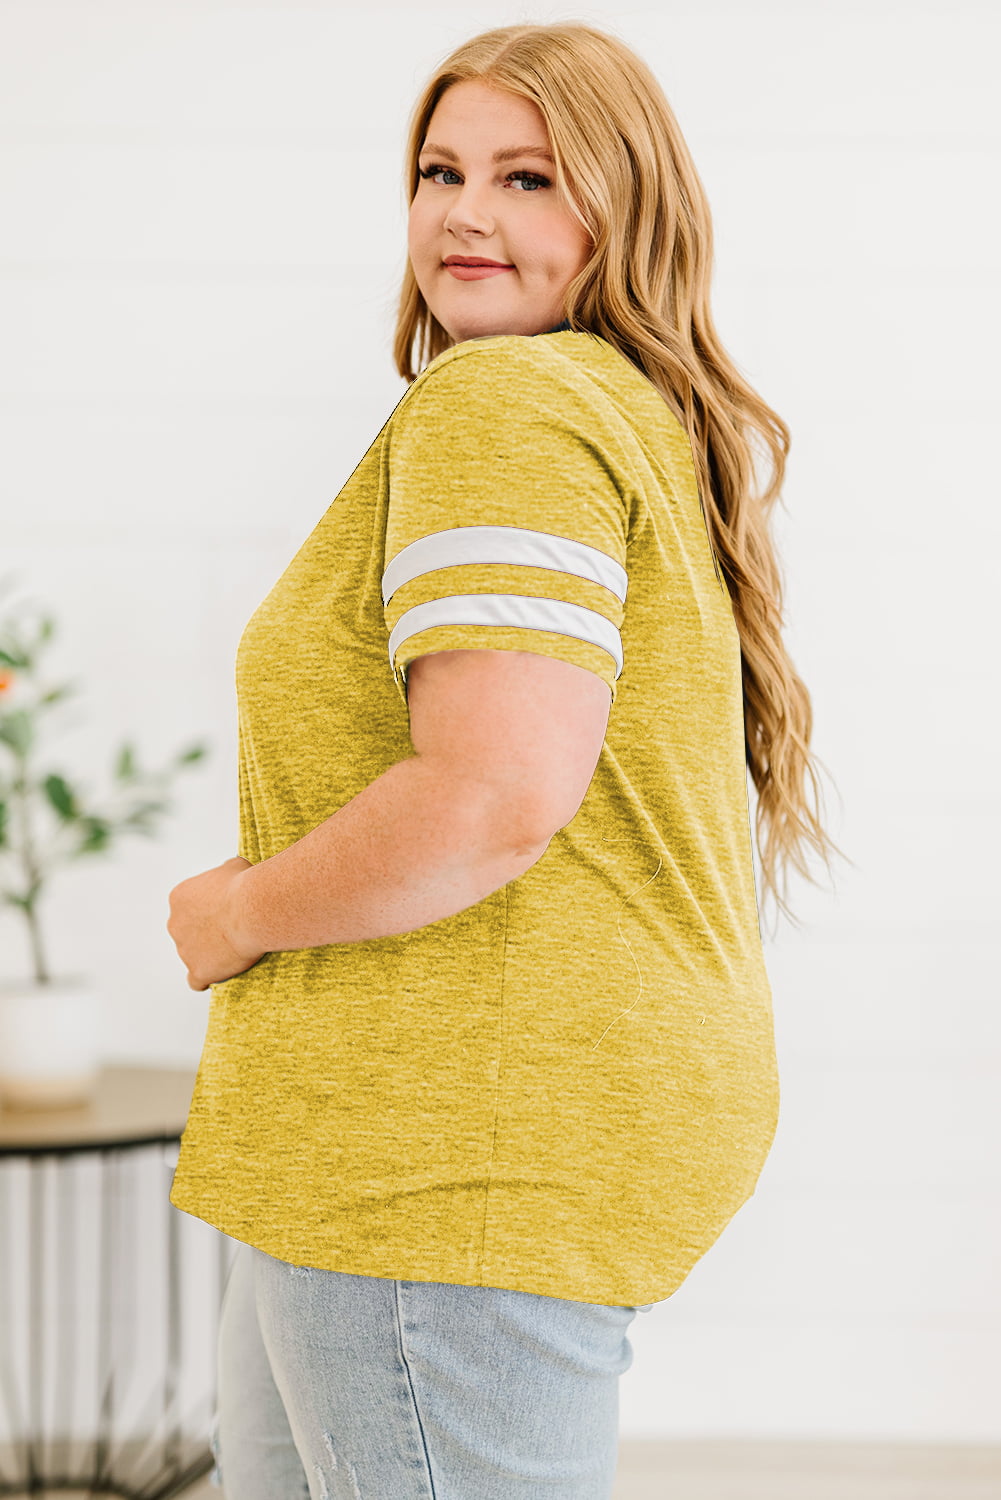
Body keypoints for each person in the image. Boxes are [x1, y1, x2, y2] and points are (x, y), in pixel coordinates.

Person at [166, 20, 844, 1500]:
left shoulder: (509, 405)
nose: (466, 212)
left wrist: (230, 915)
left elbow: (490, 797)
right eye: (439, 170)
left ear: (624, 210)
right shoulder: (617, 409)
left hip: (451, 1139)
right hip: (420, 1128)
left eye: (529, 177)